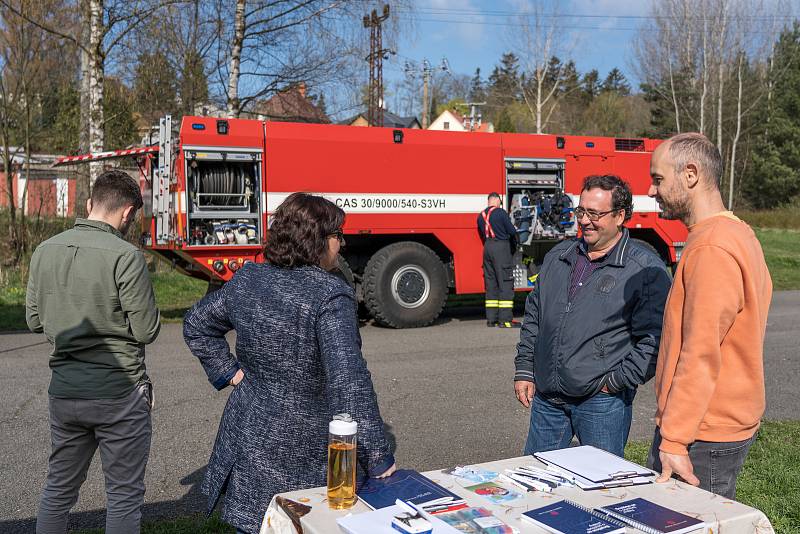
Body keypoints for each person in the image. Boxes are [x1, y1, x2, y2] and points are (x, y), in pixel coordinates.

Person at [183, 192, 396, 534]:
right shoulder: (329, 294)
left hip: (250, 434)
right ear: (316, 239)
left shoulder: (249, 279)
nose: (340, 244)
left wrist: (233, 373)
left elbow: (196, 323)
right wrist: (377, 454)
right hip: (304, 450)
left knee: (255, 523)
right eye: (336, 235)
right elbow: (348, 382)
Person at [26, 170, 161, 534]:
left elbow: (34, 320)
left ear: (89, 204)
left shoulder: (44, 251)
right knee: (123, 497)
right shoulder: (126, 256)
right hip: (120, 393)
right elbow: (147, 330)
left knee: (57, 491)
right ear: (128, 212)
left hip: (66, 390)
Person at [646, 133, 772, 499]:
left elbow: (700, 352)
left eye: (658, 179)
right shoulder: (737, 233)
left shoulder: (712, 247)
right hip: (711, 424)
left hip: (702, 432)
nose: (651, 191)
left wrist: (674, 438)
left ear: (690, 174)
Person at [514, 175, 671, 458]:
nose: (585, 221)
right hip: (548, 401)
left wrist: (615, 382)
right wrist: (525, 368)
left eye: (595, 214)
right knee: (537, 489)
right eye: (581, 211)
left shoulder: (643, 269)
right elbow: (535, 316)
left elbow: (655, 339)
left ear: (620, 215)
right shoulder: (558, 257)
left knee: (600, 491)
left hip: (600, 403)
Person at [477, 192, 519, 328]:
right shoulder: (500, 213)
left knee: (491, 284)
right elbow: (512, 231)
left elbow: (482, 234)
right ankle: (505, 320)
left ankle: (491, 319)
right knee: (505, 283)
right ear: (497, 200)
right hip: (501, 248)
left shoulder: (480, 216)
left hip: (487, 248)